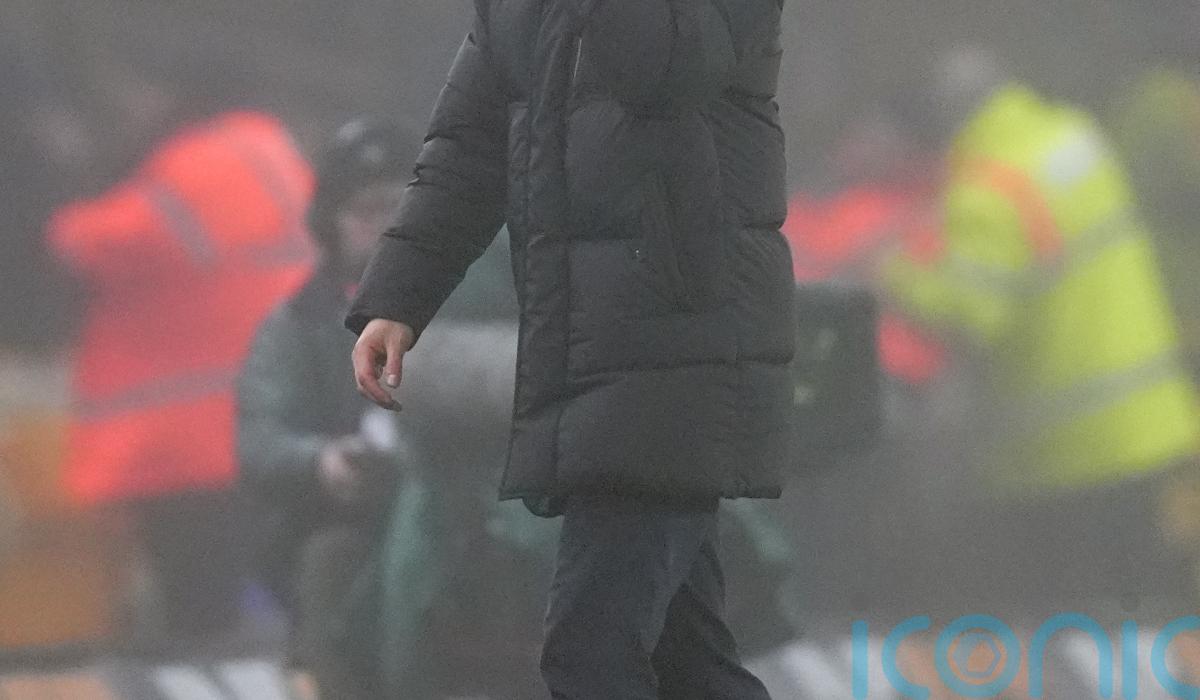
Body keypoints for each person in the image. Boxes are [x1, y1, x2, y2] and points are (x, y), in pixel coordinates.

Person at [347, 1, 793, 697]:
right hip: (588, 354)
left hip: (680, 355)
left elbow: (661, 69)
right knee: (685, 664)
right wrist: (399, 297)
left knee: (592, 653)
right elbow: (467, 149)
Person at [881, 47, 1200, 614]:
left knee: (1068, 620)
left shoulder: (988, 189)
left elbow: (971, 314)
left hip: (1067, 456)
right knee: (1152, 614)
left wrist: (891, 273)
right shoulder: (1071, 134)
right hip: (1156, 428)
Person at [45, 57, 314, 650]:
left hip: (186, 444)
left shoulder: (195, 168)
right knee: (257, 606)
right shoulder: (272, 154)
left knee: (198, 621)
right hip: (258, 426)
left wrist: (62, 180)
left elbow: (82, 245)